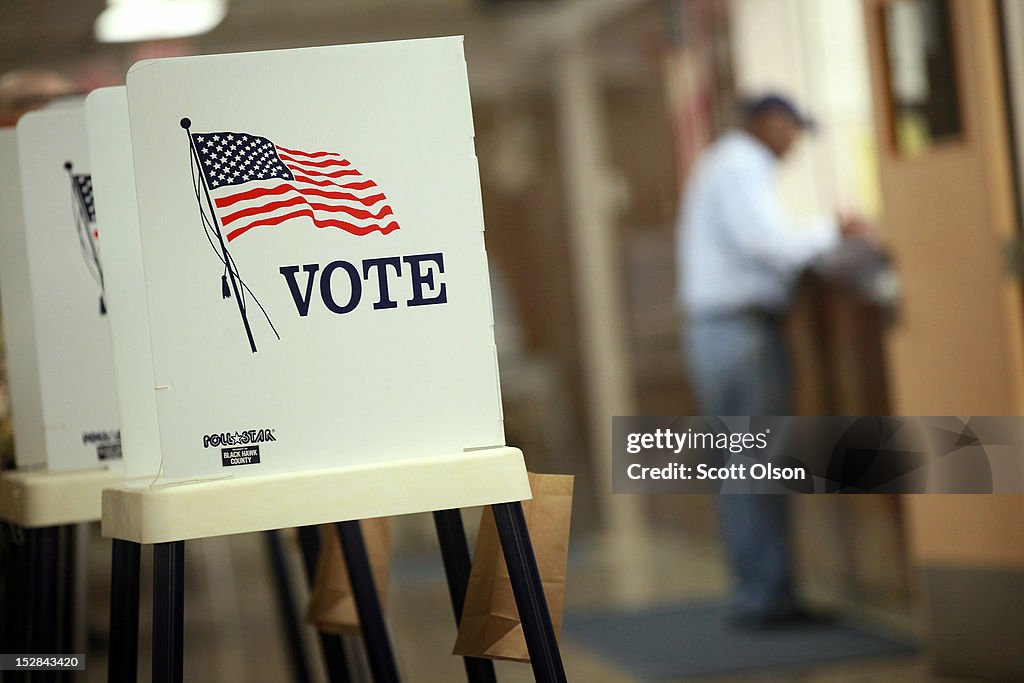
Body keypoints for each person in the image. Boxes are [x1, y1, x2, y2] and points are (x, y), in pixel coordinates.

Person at [676, 93, 869, 629]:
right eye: (791, 129)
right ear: (766, 123)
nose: (794, 142)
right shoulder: (741, 162)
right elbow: (768, 243)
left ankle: (761, 592)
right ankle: (764, 598)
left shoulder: (724, 163)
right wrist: (835, 230)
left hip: (721, 334)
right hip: (739, 333)